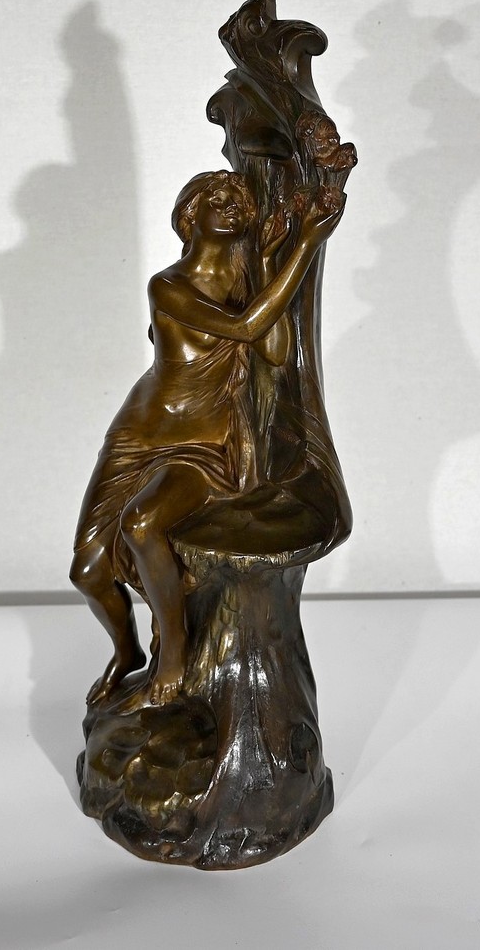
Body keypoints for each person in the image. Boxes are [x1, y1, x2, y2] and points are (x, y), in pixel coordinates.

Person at [70, 170, 344, 706]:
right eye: (217, 197)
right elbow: (245, 328)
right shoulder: (167, 286)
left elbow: (274, 350)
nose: (232, 203)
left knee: (143, 524)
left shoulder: (247, 290)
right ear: (189, 216)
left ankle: (172, 658)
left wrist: (269, 262)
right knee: (87, 571)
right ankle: (128, 653)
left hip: (205, 445)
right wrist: (306, 245)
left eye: (239, 198)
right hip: (138, 433)